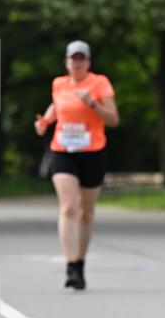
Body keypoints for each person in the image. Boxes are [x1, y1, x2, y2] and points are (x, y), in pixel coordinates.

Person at [35, 41, 119, 290]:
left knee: (86, 212)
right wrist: (46, 121)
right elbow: (56, 105)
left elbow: (113, 119)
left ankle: (80, 262)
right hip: (63, 151)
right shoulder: (59, 84)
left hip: (92, 152)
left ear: (88, 62)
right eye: (74, 58)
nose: (78, 62)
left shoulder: (99, 83)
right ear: (67, 62)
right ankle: (70, 265)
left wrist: (92, 103)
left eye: (82, 58)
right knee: (69, 207)